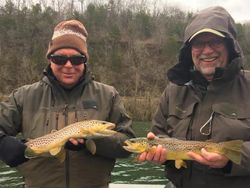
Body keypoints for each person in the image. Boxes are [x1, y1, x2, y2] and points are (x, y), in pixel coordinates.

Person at [0, 19, 135, 188]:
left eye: (77, 59)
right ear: (50, 59)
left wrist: (91, 141)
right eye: (59, 59)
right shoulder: (23, 96)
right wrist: (3, 144)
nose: (69, 65)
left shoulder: (108, 95)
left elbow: (128, 144)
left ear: (85, 60)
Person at [138, 6, 250, 188]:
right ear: (189, 51)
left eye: (215, 41)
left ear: (230, 46)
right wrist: (160, 153)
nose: (207, 50)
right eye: (198, 43)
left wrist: (229, 158)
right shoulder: (173, 91)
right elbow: (159, 134)